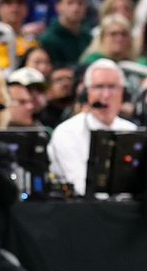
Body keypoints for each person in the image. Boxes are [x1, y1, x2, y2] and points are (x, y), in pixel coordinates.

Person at [46, 59, 137, 195]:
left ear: (123, 93)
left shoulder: (131, 130)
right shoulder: (67, 132)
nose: (106, 95)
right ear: (86, 93)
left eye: (112, 87)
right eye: (99, 87)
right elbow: (80, 185)